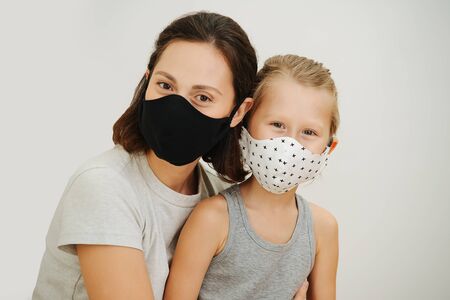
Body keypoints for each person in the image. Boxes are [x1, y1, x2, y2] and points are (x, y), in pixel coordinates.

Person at [32, 11, 258, 300]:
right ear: (147, 81)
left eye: (203, 97)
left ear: (238, 111)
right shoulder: (104, 187)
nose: (177, 108)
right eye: (165, 85)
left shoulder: (221, 200)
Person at [164, 54, 340, 300]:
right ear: (245, 125)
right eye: (277, 124)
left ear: (328, 148)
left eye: (309, 132)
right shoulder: (212, 219)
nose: (289, 143)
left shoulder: (323, 229)